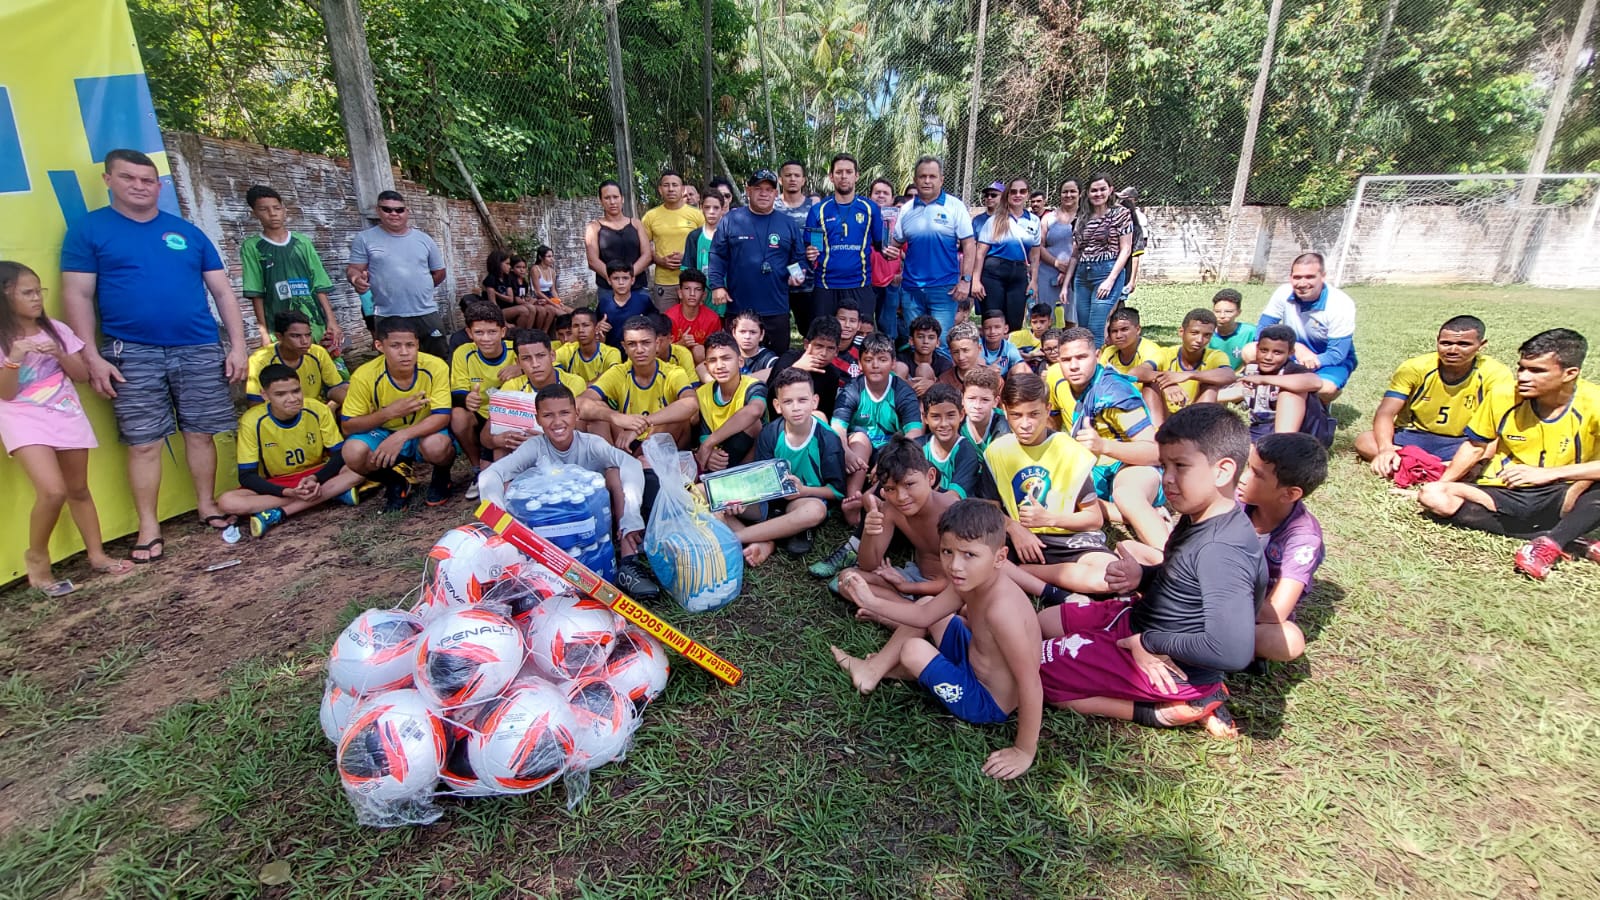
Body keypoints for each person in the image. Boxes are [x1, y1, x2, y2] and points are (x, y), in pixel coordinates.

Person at [61, 148, 249, 561]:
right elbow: (77, 294)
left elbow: (221, 292)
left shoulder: (187, 233)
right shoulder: (90, 231)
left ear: (159, 186)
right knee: (143, 440)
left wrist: (237, 345)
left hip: (198, 345)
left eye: (148, 180)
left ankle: (206, 504)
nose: (140, 187)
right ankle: (148, 524)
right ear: (109, 180)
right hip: (131, 350)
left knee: (202, 431)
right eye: (129, 178)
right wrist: (90, 354)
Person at [1033, 404, 1265, 736]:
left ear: (1223, 470)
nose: (1167, 479)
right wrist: (1143, 576)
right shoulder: (1199, 512)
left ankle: (1169, 709)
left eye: (1180, 466)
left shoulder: (1221, 551)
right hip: (1142, 618)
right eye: (1164, 465)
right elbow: (1184, 579)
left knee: (1035, 672)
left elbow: (1232, 649)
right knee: (1044, 622)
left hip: (1168, 660)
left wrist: (1150, 642)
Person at [830, 498, 1043, 780]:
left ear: (1000, 558)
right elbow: (925, 616)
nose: (955, 565)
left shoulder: (1002, 611)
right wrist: (872, 602)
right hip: (973, 657)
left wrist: (1024, 750)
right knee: (927, 604)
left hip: (986, 701)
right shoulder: (972, 579)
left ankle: (890, 668)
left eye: (969, 555)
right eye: (947, 551)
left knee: (914, 650)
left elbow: (1031, 682)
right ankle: (873, 670)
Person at [1417, 329, 1600, 580]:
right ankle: (1565, 537)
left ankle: (1552, 543)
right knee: (1433, 496)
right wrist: (1442, 483)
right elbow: (1474, 446)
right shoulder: (1504, 395)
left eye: (1536, 371)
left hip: (1566, 491)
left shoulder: (1594, 402)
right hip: (1505, 487)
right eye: (1522, 368)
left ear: (1570, 373)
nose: (1523, 377)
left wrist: (1549, 474)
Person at [0, 261, 132, 593]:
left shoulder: (56, 328)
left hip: (64, 411)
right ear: (5, 295)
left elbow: (81, 375)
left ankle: (97, 555)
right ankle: (37, 559)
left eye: (38, 291)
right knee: (52, 491)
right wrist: (15, 356)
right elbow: (6, 392)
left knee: (78, 489)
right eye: (27, 292)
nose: (36, 299)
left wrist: (58, 352)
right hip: (21, 417)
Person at [477, 382, 660, 600]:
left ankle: (629, 563)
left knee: (614, 472)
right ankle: (525, 564)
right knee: (510, 485)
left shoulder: (591, 444)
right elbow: (491, 475)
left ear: (576, 414)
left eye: (564, 413)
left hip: (596, 524)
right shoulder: (535, 447)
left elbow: (630, 463)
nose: (557, 422)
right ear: (537, 419)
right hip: (553, 528)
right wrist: (500, 520)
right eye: (548, 415)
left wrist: (631, 514)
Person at [985, 372, 1115, 594]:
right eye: (1016, 415)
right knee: (979, 558)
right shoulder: (997, 452)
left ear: (1047, 409)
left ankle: (1029, 574)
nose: (1025, 424)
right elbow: (988, 508)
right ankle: (1048, 584)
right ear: (1004, 411)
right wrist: (1014, 528)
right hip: (1021, 542)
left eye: (1034, 414)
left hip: (1067, 540)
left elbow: (1093, 519)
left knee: (1109, 577)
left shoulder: (1070, 453)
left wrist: (1049, 518)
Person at [1049, 327, 1169, 548]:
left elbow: (1156, 453)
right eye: (1066, 359)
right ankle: (1136, 513)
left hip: (1131, 465)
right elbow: (1053, 425)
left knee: (1127, 495)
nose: (1074, 366)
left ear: (1097, 355)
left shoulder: (1114, 392)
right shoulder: (1056, 380)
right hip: (1091, 468)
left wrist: (1103, 445)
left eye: (1082, 357)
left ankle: (1172, 559)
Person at [1355, 315, 1512, 479]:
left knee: (1499, 447)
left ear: (1481, 345)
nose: (1452, 350)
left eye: (1463, 344)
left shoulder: (1496, 373)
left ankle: (1412, 467)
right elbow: (1386, 412)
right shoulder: (1414, 367)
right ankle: (1446, 470)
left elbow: (1500, 425)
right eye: (1446, 343)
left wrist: (1480, 460)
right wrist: (1386, 449)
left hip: (1465, 441)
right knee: (1364, 440)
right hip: (1413, 436)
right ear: (1437, 340)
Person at [220, 363, 364, 538]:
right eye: (280, 394)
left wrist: (316, 479)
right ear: (265, 395)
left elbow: (339, 454)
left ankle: (279, 513)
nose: (292, 398)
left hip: (316, 475)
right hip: (278, 483)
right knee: (227, 502)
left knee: (360, 466)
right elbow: (247, 475)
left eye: (296, 391)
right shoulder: (251, 421)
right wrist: (287, 492)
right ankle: (331, 494)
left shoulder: (317, 408)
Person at [726, 368, 846, 564]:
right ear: (777, 405)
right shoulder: (770, 433)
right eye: (788, 402)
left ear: (814, 401)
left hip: (803, 501)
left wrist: (803, 490)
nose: (796, 407)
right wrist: (740, 499)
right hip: (771, 499)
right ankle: (766, 540)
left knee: (815, 511)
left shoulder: (827, 440)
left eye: (802, 400)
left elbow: (837, 492)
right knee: (713, 500)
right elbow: (761, 480)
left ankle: (738, 537)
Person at [340, 317, 456, 510]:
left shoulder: (436, 367)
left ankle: (442, 477)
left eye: (410, 345)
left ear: (418, 344)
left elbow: (442, 415)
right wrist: (387, 414)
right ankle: (395, 482)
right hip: (384, 433)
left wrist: (403, 435)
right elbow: (348, 425)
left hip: (422, 432)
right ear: (379, 345)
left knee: (437, 446)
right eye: (395, 345)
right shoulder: (364, 375)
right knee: (352, 452)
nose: (404, 352)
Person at [831, 436, 958, 608]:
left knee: (964, 605)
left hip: (952, 589)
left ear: (930, 477)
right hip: (913, 578)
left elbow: (959, 580)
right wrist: (870, 529)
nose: (901, 497)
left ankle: (897, 615)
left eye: (909, 484)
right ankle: (915, 615)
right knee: (848, 579)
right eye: (891, 489)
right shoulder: (892, 508)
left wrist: (907, 586)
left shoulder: (952, 513)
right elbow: (868, 565)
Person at [1239, 432, 1328, 664]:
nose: (1243, 478)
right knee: (1139, 553)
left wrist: (1215, 606)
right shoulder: (1236, 501)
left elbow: (1276, 610)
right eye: (1248, 467)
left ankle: (1222, 640)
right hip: (1208, 589)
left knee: (1289, 641)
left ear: (1290, 494)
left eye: (1256, 474)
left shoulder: (1303, 538)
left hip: (1249, 614)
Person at [706, 169, 806, 354]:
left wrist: (797, 274)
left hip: (776, 308)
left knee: (777, 364)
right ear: (748, 190)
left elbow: (798, 257)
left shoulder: (787, 223)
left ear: (776, 193)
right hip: (740, 308)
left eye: (769, 189)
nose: (764, 193)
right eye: (758, 188)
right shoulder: (731, 220)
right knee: (737, 360)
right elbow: (717, 255)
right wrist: (717, 285)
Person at [832, 333, 925, 525]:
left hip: (890, 451)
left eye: (882, 360)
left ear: (893, 363)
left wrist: (888, 458)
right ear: (860, 363)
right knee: (860, 439)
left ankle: (875, 495)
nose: (875, 365)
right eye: (868, 360)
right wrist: (846, 452)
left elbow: (915, 432)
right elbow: (838, 428)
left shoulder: (902, 391)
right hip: (858, 455)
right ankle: (853, 499)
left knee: (904, 451)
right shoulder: (852, 389)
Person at [240, 185, 343, 360]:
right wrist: (263, 331)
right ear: (254, 213)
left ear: (284, 210)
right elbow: (256, 292)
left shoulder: (302, 242)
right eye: (264, 209)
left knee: (326, 363)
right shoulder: (253, 247)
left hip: (313, 318)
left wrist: (331, 321)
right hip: (278, 320)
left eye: (277, 208)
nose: (272, 214)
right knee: (289, 367)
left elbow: (319, 283)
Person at [347, 190, 448, 358]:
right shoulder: (365, 239)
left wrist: (421, 287)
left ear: (406, 212)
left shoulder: (423, 239)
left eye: (399, 210)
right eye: (387, 209)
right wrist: (355, 278)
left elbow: (439, 272)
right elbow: (354, 269)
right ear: (378, 210)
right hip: (388, 313)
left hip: (425, 311)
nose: (394, 213)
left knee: (439, 357)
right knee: (395, 360)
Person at [1247, 252, 1357, 403]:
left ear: (1323, 276)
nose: (1302, 283)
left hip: (1327, 360)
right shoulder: (1283, 293)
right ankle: (1259, 399)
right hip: (1290, 352)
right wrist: (1296, 348)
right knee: (1250, 350)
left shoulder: (1340, 304)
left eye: (1310, 277)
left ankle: (1319, 405)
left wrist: (1309, 362)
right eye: (1297, 277)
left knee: (1326, 388)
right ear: (1290, 277)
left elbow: (1337, 354)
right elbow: (1261, 331)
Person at [578, 315, 698, 450]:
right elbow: (578, 404)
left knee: (679, 418)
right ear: (624, 347)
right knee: (596, 410)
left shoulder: (673, 372)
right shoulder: (619, 372)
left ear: (657, 344)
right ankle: (613, 464)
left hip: (660, 440)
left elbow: (691, 403)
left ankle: (633, 463)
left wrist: (643, 424)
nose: (640, 350)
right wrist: (614, 416)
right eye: (632, 344)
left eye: (646, 343)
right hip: (625, 440)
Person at [890, 157, 972, 340]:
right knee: (916, 343)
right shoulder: (906, 210)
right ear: (915, 179)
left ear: (941, 179)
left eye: (932, 176)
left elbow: (969, 245)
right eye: (922, 176)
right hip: (911, 289)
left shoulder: (955, 207)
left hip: (944, 289)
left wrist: (966, 280)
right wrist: (886, 249)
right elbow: (895, 244)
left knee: (941, 344)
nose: (927, 181)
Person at [805, 153, 884, 323]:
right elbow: (814, 247)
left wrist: (890, 249)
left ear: (856, 176)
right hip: (826, 285)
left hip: (860, 284)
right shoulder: (818, 210)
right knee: (824, 336)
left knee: (861, 338)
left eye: (848, 172)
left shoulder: (870, 209)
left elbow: (880, 245)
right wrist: (811, 252)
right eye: (839, 172)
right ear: (831, 177)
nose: (844, 176)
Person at [449, 302, 518, 493]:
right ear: (470, 333)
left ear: (503, 331)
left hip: (510, 415)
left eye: (492, 332)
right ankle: (477, 468)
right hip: (480, 413)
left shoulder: (516, 350)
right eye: (479, 332)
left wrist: (521, 367)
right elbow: (457, 391)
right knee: (458, 416)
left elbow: (547, 355)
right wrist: (466, 399)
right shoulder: (463, 353)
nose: (486, 338)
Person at [487, 327, 588, 452]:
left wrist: (546, 439)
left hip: (563, 449)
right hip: (525, 452)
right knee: (500, 449)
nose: (535, 364)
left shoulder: (573, 383)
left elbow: (581, 428)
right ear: (518, 362)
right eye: (526, 358)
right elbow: (485, 435)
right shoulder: (512, 387)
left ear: (552, 356)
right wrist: (498, 440)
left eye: (540, 356)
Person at [1131, 308, 1234, 426]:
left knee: (1211, 386)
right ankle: (1155, 436)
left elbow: (1229, 375)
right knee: (1150, 385)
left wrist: (1190, 375)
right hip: (1165, 414)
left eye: (1207, 335)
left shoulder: (1215, 356)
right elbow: (1135, 373)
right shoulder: (1166, 353)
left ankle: (1194, 433)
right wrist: (1166, 382)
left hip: (1194, 415)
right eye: (1194, 333)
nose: (1199, 340)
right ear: (1181, 332)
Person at [1239, 324, 1335, 447]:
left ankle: (1282, 448)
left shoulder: (1293, 370)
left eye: (1277, 352)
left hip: (1304, 435)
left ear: (1291, 353)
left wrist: (1264, 379)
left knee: (1291, 391)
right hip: (1262, 429)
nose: (1268, 357)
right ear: (1257, 348)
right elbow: (1239, 389)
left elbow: (1315, 382)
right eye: (1264, 350)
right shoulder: (1252, 368)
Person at [1066, 173, 1132, 347]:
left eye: (1102, 189)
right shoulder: (1083, 216)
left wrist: (1110, 280)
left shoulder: (1121, 214)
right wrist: (1066, 285)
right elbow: (1075, 254)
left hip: (1107, 271)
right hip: (1082, 274)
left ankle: (1097, 371)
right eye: (1094, 190)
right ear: (1087, 193)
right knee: (1084, 330)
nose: (1098, 194)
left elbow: (1125, 250)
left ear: (1110, 190)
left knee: (1096, 328)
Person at [971, 177, 1042, 331]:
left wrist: (1034, 281)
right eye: (1013, 192)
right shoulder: (994, 220)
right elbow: (980, 253)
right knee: (992, 319)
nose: (1018, 195)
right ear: (1007, 195)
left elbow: (1035, 256)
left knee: (1015, 322)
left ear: (1027, 195)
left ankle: (1010, 354)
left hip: (1019, 274)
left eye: (1022, 191)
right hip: (993, 273)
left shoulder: (1034, 221)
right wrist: (975, 280)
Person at [694, 331, 767, 473]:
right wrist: (711, 454)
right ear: (706, 366)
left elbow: (755, 411)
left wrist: (709, 443)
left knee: (754, 424)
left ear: (740, 362)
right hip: (721, 456)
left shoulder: (753, 386)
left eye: (726, 358)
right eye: (713, 360)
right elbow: (704, 434)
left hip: (751, 457)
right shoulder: (703, 392)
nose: (720, 365)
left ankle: (742, 474)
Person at [245, 311, 348, 412]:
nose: (305, 341)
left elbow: (335, 387)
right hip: (279, 416)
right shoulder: (260, 360)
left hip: (315, 411)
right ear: (279, 337)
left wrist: (354, 405)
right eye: (296, 336)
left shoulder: (318, 352)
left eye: (308, 335)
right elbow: (255, 404)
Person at [640, 170, 706, 312]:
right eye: (666, 185)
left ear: (682, 189)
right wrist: (659, 260)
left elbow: (707, 246)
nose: (670, 189)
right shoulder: (650, 217)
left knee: (694, 325)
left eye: (675, 185)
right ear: (660, 189)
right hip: (664, 282)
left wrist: (687, 258)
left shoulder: (697, 215)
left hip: (692, 283)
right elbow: (643, 249)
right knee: (665, 325)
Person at [584, 180, 652, 307]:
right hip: (608, 290)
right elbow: (593, 260)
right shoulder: (593, 228)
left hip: (637, 287)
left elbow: (647, 255)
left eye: (615, 197)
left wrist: (628, 277)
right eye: (607, 198)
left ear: (622, 199)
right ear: (600, 201)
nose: (612, 202)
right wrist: (615, 280)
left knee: (642, 325)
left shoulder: (636, 224)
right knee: (610, 325)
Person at [918, 383, 985, 500]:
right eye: (935, 417)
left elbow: (953, 499)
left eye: (950, 415)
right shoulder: (917, 447)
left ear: (961, 415)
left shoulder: (966, 452)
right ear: (925, 418)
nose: (944, 424)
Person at [775, 160, 820, 333]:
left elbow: (818, 237)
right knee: (778, 330)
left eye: (797, 175)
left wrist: (814, 251)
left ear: (804, 180)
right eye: (788, 175)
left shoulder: (814, 208)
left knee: (808, 329)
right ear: (780, 180)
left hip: (808, 280)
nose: (792, 179)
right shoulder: (772, 207)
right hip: (778, 280)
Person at [767, 317, 843, 416]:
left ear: (836, 351)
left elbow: (826, 412)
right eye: (819, 346)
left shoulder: (832, 375)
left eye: (830, 348)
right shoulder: (789, 359)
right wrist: (795, 369)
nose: (824, 353)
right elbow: (770, 396)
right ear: (807, 344)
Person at [1038, 179, 1080, 325]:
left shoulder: (1085, 218)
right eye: (1065, 191)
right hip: (1047, 274)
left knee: (1071, 318)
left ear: (1080, 194)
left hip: (1075, 274)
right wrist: (1056, 263)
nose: (1068, 195)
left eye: (1072, 191)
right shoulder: (1048, 218)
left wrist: (1068, 269)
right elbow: (1039, 247)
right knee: (1046, 319)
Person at [868, 178, 904, 341]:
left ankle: (889, 361)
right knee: (864, 327)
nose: (881, 196)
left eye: (885, 193)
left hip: (890, 281)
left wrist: (900, 273)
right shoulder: (862, 218)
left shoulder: (899, 222)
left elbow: (908, 252)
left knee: (888, 327)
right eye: (877, 192)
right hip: (865, 280)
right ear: (870, 196)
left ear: (892, 198)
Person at [665, 270, 722, 366]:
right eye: (687, 288)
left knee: (698, 350)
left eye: (697, 289)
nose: (692, 293)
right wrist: (680, 344)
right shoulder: (669, 317)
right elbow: (660, 350)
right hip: (675, 365)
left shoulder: (712, 319)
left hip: (703, 365)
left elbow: (717, 350)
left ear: (704, 295)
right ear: (680, 293)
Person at [555, 307, 622, 384]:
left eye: (586, 325)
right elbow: (548, 361)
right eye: (576, 326)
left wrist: (581, 386)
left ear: (596, 328)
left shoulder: (611, 353)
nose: (580, 330)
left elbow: (614, 374)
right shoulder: (567, 350)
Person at [596, 264, 653, 349]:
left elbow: (654, 322)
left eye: (625, 278)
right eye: (616, 278)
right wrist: (599, 325)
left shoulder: (643, 301)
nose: (621, 283)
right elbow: (595, 325)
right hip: (612, 353)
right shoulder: (604, 304)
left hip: (638, 352)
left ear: (632, 280)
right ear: (609, 280)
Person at [894, 315, 953, 396]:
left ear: (937, 342)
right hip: (904, 400)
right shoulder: (901, 359)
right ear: (911, 341)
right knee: (899, 367)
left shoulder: (944, 364)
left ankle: (922, 407)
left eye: (931, 337)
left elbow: (950, 390)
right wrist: (911, 386)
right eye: (920, 337)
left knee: (924, 369)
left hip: (931, 403)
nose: (925, 341)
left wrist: (933, 385)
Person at [682, 192, 725, 305]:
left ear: (723, 209)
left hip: (728, 297)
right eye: (707, 207)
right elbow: (687, 271)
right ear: (701, 208)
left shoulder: (731, 236)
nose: (711, 211)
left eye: (716, 208)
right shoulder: (694, 236)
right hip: (703, 300)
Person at [960, 366, 1010, 455]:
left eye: (985, 400)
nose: (977, 406)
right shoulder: (957, 424)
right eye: (971, 398)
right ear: (963, 399)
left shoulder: (1006, 424)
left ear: (995, 402)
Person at [1098, 306, 1160, 378]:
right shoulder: (1109, 352)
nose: (1118, 336)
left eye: (1124, 329)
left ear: (1138, 330)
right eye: (1114, 331)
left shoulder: (1151, 352)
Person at [481, 249, 534, 330]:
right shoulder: (491, 279)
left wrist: (496, 293)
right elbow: (493, 304)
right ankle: (518, 334)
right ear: (498, 264)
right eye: (507, 264)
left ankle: (526, 332)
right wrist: (505, 322)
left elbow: (510, 299)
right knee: (523, 310)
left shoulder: (507, 278)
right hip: (496, 310)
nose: (509, 267)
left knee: (529, 308)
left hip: (508, 307)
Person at [1116, 186, 1150, 299]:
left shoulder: (1136, 225)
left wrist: (1132, 281)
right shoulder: (1111, 223)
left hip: (1124, 272)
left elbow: (1136, 255)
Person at [1208, 288, 1254, 369]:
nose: (1222, 316)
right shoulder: (1206, 333)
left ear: (1238, 313)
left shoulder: (1250, 332)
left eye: (1228, 312)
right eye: (1217, 311)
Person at [937, 321, 989, 392]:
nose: (961, 357)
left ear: (979, 348)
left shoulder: (994, 379)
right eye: (955, 352)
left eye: (965, 350)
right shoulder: (944, 380)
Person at [978, 308, 1030, 378]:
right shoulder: (977, 345)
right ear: (982, 330)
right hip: (980, 380)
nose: (992, 331)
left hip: (1003, 382)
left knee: (1020, 367)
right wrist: (988, 370)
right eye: (987, 328)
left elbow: (1023, 366)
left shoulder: (1009, 348)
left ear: (1005, 329)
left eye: (997, 327)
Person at [729, 309, 778, 379]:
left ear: (761, 335)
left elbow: (780, 372)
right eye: (742, 332)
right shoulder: (727, 355)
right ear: (734, 333)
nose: (747, 337)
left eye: (753, 332)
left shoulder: (768, 359)